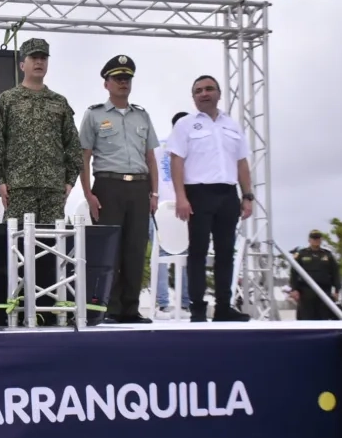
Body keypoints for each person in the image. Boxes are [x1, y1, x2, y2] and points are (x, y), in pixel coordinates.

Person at [78, 55, 158, 324]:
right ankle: (109, 309)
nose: (123, 83)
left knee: (136, 249)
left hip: (138, 187)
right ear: (106, 84)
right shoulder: (94, 114)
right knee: (109, 250)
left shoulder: (142, 115)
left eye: (127, 78)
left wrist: (154, 193)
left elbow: (151, 158)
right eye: (117, 78)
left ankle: (130, 309)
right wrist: (88, 194)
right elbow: (84, 157)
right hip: (108, 186)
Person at [166, 75, 252, 322]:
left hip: (227, 194)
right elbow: (177, 161)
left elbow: (242, 162)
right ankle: (197, 309)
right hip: (198, 194)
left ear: (219, 93)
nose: (204, 93)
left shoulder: (232, 125)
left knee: (226, 252)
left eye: (209, 89)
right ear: (193, 97)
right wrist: (181, 196)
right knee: (198, 252)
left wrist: (247, 196)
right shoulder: (185, 125)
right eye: (198, 91)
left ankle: (224, 307)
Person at [0, 38, 82, 225]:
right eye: (34, 57)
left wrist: (69, 182)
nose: (39, 62)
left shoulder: (59, 102)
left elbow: (73, 145)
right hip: (19, 189)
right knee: (18, 246)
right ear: (22, 64)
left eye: (43, 58)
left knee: (51, 247)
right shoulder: (7, 100)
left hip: (52, 190)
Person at [153, 111, 190, 319]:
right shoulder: (158, 145)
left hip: (183, 208)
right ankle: (164, 304)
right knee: (161, 257)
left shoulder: (191, 147)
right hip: (162, 209)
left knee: (184, 258)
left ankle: (184, 304)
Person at [289, 229, 342, 320]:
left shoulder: (327, 254)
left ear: (321, 240)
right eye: (314, 238)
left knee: (323, 315)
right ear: (309, 240)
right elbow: (294, 273)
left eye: (318, 238)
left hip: (324, 290)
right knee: (307, 316)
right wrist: (294, 289)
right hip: (306, 291)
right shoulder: (302, 254)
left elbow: (335, 272)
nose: (316, 240)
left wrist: (337, 290)